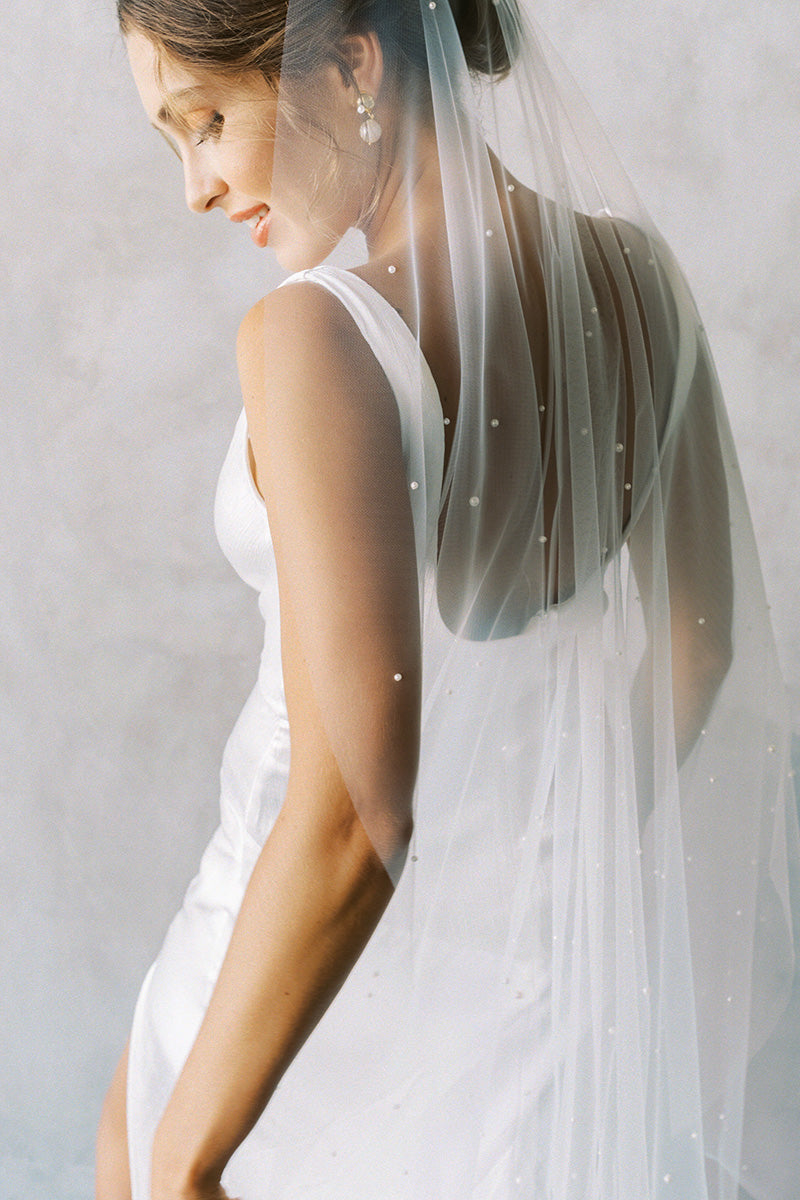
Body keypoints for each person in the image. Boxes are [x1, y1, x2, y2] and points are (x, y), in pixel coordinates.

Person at [96, 1, 799, 1198]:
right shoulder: (638, 280)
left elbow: (350, 814)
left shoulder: (316, 336)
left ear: (354, 62)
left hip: (271, 990)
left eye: (205, 120)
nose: (197, 189)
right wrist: (539, 886)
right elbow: (697, 644)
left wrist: (187, 1158)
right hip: (520, 1000)